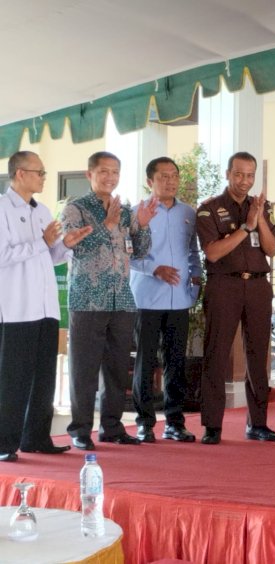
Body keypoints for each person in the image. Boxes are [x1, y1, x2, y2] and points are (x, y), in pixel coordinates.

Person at [61, 151, 158, 450]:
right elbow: (75, 247)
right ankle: (79, 430)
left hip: (122, 300)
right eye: (104, 171)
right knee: (84, 370)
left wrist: (141, 224)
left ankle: (112, 427)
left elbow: (139, 251)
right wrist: (106, 225)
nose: (110, 177)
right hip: (88, 299)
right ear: (89, 174)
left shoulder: (126, 211)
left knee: (117, 369)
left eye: (115, 172)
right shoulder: (74, 209)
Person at [0, 151, 92, 462]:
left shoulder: (42, 210)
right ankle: (4, 443)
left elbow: (47, 258)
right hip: (16, 308)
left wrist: (64, 245)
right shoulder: (2, 208)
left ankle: (36, 437)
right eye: (39, 172)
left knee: (43, 376)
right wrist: (42, 242)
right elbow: (3, 256)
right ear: (20, 174)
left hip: (46, 306)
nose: (43, 177)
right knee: (13, 378)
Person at [195, 151, 275, 445]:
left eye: (250, 175)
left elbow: (270, 250)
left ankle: (257, 424)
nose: (245, 181)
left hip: (258, 286)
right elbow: (214, 252)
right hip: (224, 285)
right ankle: (212, 425)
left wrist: (260, 219)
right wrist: (246, 227)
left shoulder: (262, 207)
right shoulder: (209, 209)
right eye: (239, 174)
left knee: (258, 356)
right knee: (217, 353)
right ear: (228, 174)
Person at [130, 157, 202, 443]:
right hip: (147, 297)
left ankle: (175, 422)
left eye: (174, 176)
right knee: (146, 362)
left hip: (180, 299)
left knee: (176, 361)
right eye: (163, 176)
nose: (170, 181)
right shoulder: (136, 212)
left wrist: (195, 281)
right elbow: (129, 254)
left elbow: (193, 253)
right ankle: (144, 423)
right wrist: (154, 269)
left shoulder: (189, 212)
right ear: (150, 181)